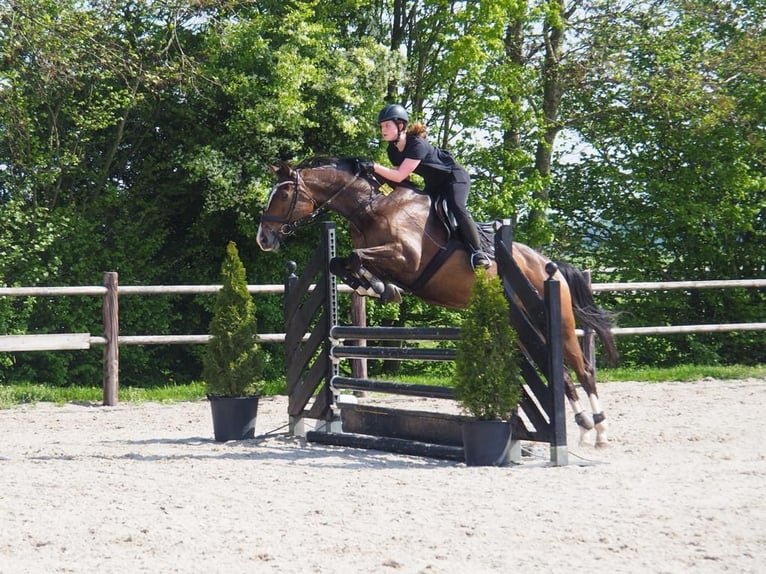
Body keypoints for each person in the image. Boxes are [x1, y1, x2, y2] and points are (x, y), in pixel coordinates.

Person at [367, 103, 491, 270]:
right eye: (382, 126)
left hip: (454, 177)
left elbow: (399, 175)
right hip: (434, 183)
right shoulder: (392, 151)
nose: (383, 129)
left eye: (387, 125)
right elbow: (397, 178)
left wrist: (374, 166)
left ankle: (478, 251)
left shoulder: (416, 144)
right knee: (421, 210)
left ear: (400, 125)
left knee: (456, 206)